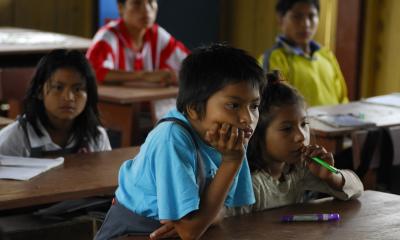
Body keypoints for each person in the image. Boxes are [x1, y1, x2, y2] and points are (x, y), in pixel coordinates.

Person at [94, 43, 265, 240]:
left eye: (254, 106)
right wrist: (231, 162)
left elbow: (224, 210)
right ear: (193, 108)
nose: (248, 118)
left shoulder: (232, 139)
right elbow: (189, 231)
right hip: (132, 232)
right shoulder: (172, 138)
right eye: (233, 105)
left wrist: (200, 219)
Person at [225, 71, 363, 216]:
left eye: (304, 124)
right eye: (287, 129)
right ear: (257, 133)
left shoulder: (299, 170)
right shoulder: (250, 184)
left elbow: (357, 188)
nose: (301, 136)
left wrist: (330, 177)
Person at [0, 49, 111, 157]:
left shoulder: (96, 137)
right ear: (39, 92)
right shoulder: (15, 139)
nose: (68, 97)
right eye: (58, 88)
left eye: (77, 89)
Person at [260, 0, 348, 106]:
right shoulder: (274, 59)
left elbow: (343, 99)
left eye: (311, 16)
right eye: (297, 16)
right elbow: (274, 107)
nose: (306, 24)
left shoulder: (327, 56)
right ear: (280, 19)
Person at [86, 0, 189, 86]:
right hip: (116, 108)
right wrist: (143, 75)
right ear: (120, 8)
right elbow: (91, 72)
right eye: (137, 3)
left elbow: (190, 64)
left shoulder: (157, 34)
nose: (146, 10)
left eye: (151, 2)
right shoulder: (107, 37)